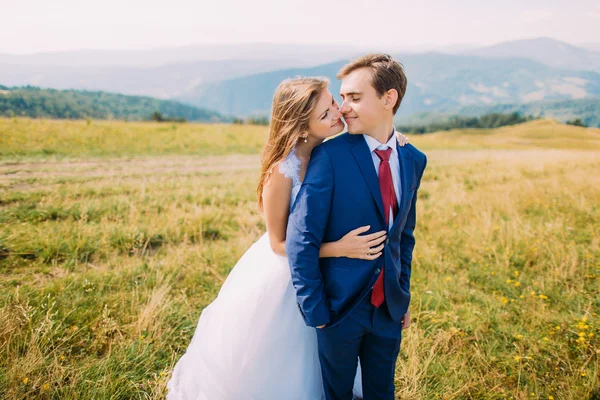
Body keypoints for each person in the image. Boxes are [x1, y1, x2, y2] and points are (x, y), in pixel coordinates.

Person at [166, 75, 410, 399]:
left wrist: (394, 141)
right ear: (303, 128)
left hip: (326, 270)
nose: (337, 114)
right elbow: (278, 244)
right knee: (285, 359)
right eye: (326, 115)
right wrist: (339, 248)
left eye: (333, 104)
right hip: (286, 274)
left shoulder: (331, 149)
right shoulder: (282, 172)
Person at [286, 54, 427, 400]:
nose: (343, 107)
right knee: (338, 394)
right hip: (339, 310)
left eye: (355, 97)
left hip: (388, 310)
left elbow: (403, 238)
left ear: (388, 99)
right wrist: (317, 312)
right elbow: (300, 239)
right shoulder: (330, 156)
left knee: (382, 391)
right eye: (343, 97)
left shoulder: (413, 158)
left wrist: (401, 294)